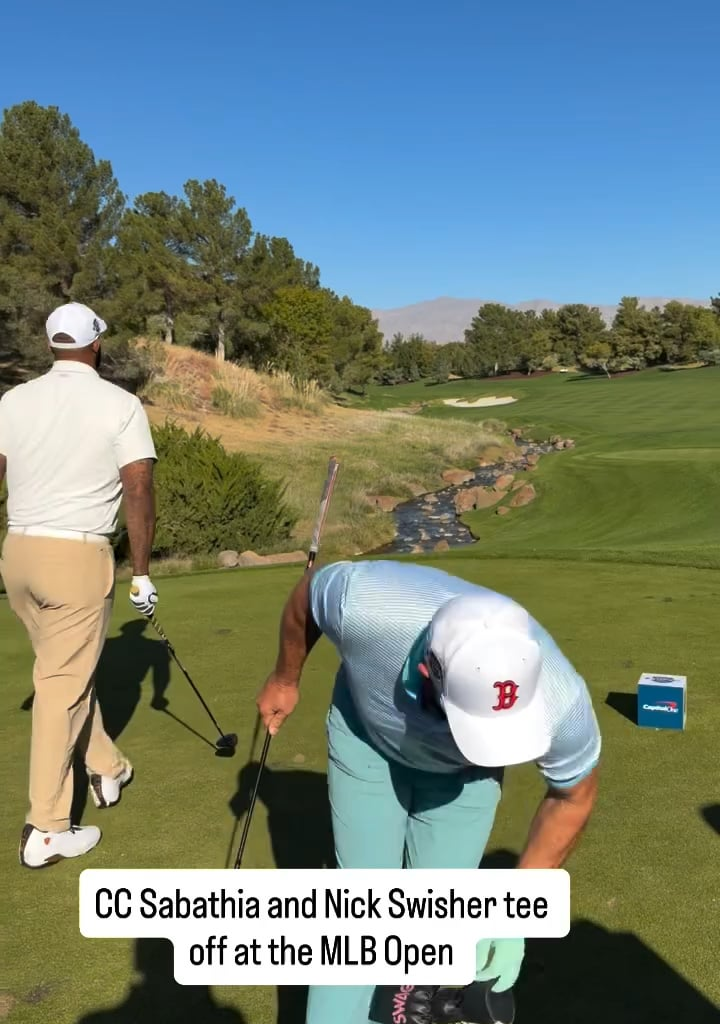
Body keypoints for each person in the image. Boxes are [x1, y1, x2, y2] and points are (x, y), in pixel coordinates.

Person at [255, 558, 602, 1024]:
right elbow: (306, 600)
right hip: (367, 742)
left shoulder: (562, 702)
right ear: (427, 669)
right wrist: (284, 677)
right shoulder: (366, 602)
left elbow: (573, 796)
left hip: (464, 778)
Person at [0, 301, 159, 869]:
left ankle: (107, 767)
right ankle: (46, 827)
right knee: (61, 687)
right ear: (95, 345)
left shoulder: (11, 401)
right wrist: (140, 571)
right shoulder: (120, 403)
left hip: (17, 553)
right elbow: (138, 489)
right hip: (77, 555)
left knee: (65, 672)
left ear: (51, 346)